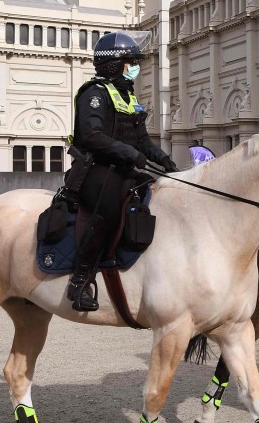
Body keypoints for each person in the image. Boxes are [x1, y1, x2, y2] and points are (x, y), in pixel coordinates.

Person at [66, 31, 178, 312]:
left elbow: (141, 139)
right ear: (114, 64)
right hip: (96, 170)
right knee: (109, 211)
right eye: (130, 62)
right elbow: (91, 136)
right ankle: (80, 280)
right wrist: (130, 153)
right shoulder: (94, 94)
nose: (135, 67)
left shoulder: (128, 96)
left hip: (125, 169)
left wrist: (165, 160)